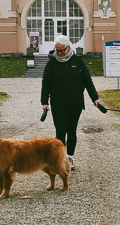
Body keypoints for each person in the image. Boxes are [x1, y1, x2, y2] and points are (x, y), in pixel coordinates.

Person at [40, 35, 100, 170]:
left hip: (75, 103)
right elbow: (46, 83)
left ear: (68, 48)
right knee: (60, 132)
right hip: (58, 103)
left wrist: (94, 98)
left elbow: (87, 81)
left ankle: (70, 158)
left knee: (71, 131)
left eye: (61, 51)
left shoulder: (78, 61)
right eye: (57, 51)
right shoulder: (52, 63)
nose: (59, 53)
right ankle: (59, 160)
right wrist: (44, 102)